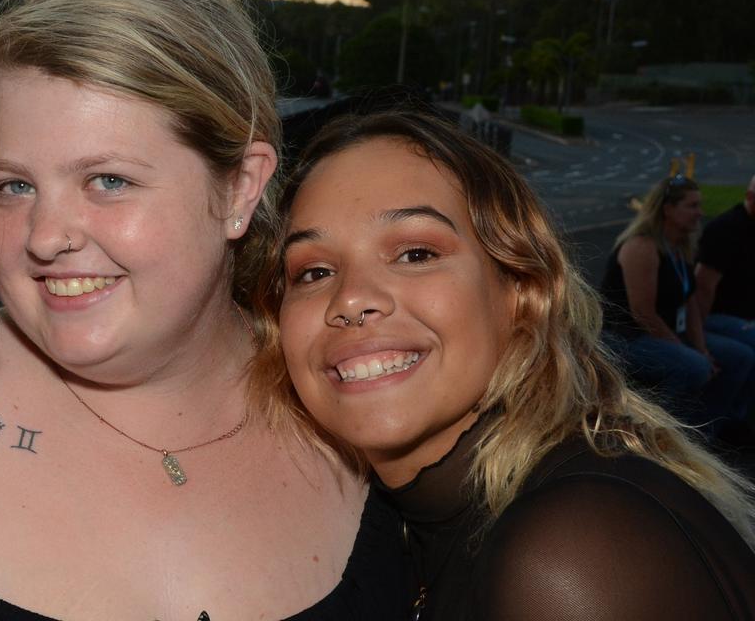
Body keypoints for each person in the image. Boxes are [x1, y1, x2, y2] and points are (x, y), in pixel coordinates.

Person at [0, 0, 405, 620]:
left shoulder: (363, 410)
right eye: (13, 186)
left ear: (238, 187)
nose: (46, 236)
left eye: (108, 181)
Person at [257, 108, 755, 620]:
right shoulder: (408, 527)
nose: (351, 298)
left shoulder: (568, 556)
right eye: (314, 271)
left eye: (416, 254)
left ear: (521, 292)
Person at [599, 174, 755, 431]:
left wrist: (702, 347)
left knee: (739, 357)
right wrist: (691, 352)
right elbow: (643, 313)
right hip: (625, 337)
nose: (700, 213)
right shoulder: (642, 246)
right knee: (693, 366)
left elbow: (690, 302)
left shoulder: (679, 246)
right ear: (668, 209)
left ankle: (704, 432)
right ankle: (656, 431)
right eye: (692, 206)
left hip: (663, 332)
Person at [697, 173, 755, 412]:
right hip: (718, 315)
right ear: (751, 197)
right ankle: (728, 420)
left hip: (744, 316)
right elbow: (703, 286)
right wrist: (696, 336)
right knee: (746, 352)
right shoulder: (725, 230)